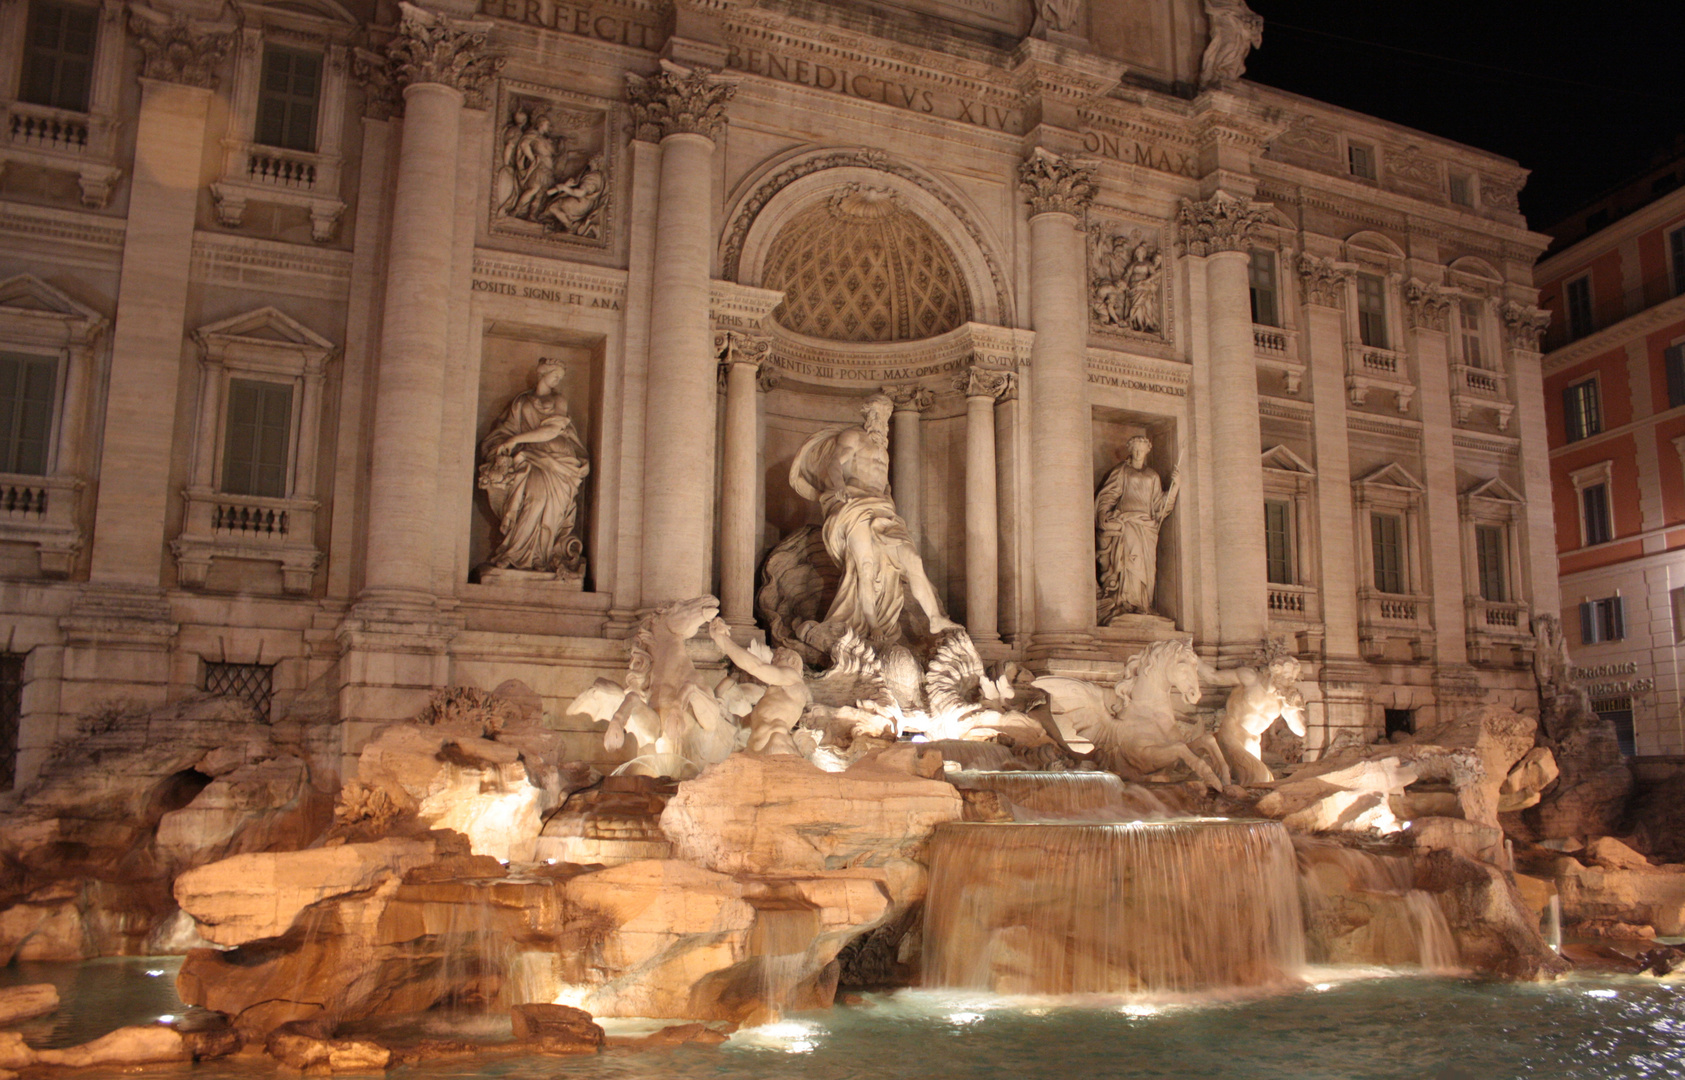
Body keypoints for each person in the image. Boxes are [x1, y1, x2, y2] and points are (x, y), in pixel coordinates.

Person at [790, 393, 961, 646]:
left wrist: (889, 500)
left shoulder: (883, 447)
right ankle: (873, 624)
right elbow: (834, 464)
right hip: (854, 506)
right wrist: (839, 486)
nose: (881, 420)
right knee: (865, 568)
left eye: (886, 416)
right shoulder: (853, 437)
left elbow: (883, 483)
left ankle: (935, 617)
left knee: (912, 559)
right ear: (868, 416)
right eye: (878, 415)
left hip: (883, 511)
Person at [477, 358, 591, 576]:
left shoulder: (558, 399)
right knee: (535, 499)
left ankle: (542, 556)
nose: (558, 380)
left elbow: (552, 430)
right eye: (555, 375)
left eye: (560, 377)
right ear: (542, 374)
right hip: (530, 458)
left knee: (552, 508)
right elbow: (506, 428)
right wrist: (502, 444)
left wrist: (515, 440)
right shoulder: (521, 401)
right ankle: (514, 553)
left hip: (557, 458)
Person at [1095, 435, 1179, 623]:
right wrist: (1104, 516)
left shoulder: (1153, 476)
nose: (1138, 453)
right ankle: (1126, 602)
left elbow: (1159, 506)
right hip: (1128, 523)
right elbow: (1108, 495)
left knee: (1147, 567)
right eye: (1135, 449)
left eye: (1142, 450)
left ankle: (1143, 603)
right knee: (1130, 563)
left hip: (1147, 527)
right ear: (1130, 451)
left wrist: (1175, 487)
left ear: (1147, 451)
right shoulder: (1122, 471)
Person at [708, 618, 811, 756]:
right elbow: (744, 722)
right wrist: (721, 710)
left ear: (791, 661)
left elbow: (757, 666)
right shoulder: (774, 698)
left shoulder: (793, 678)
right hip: (755, 750)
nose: (772, 661)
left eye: (778, 658)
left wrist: (723, 640)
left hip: (776, 747)